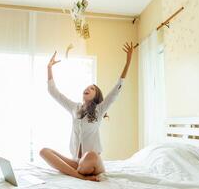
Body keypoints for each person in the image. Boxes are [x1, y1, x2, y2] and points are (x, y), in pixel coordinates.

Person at [40, 42, 134, 182]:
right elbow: (54, 92)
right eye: (87, 87)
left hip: (92, 163)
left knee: (91, 155)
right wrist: (49, 68)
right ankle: (79, 175)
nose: (88, 89)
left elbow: (115, 92)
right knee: (44, 151)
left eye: (92, 88)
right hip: (77, 163)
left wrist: (127, 62)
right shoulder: (74, 108)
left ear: (96, 95)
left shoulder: (99, 109)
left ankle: (75, 173)